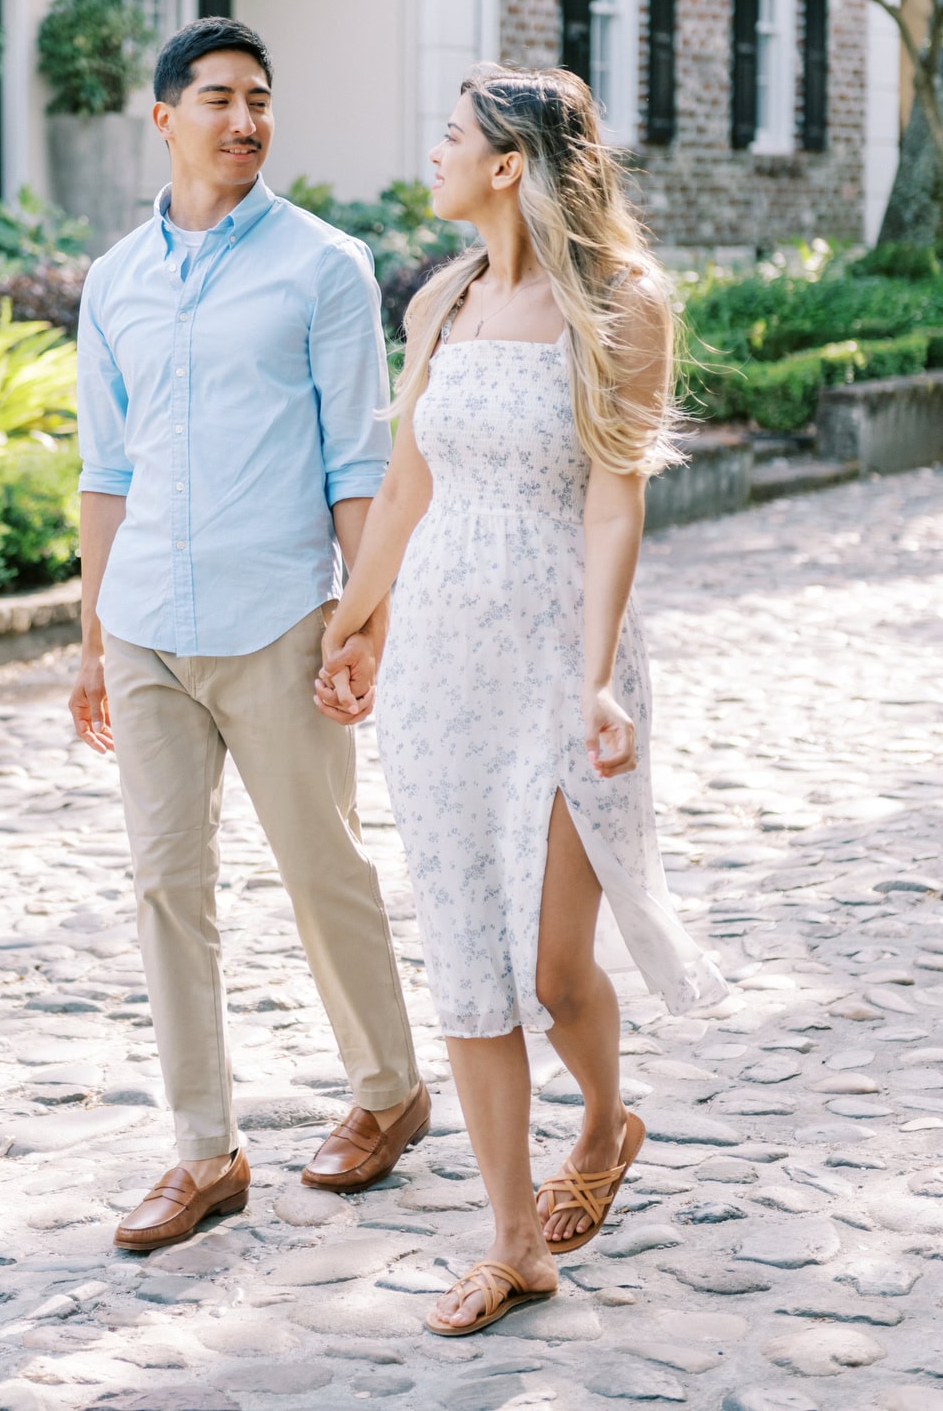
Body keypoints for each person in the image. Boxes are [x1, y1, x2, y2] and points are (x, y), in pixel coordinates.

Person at [318, 64, 727, 1336]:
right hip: (439, 663)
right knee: (465, 953)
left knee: (553, 966)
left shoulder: (620, 302)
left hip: (558, 656)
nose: (432, 153)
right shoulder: (438, 300)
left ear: (508, 164)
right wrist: (354, 619)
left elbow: (614, 499)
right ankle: (511, 1241)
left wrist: (598, 674)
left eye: (451, 136)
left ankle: (603, 1118)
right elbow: (404, 487)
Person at [70, 16, 428, 1254]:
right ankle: (202, 1150)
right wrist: (88, 640)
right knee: (166, 883)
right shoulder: (115, 279)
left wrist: (360, 619)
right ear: (163, 117)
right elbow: (105, 470)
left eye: (260, 98)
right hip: (144, 627)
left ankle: (387, 1088)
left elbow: (356, 462)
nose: (244, 119)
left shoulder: (323, 264)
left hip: (276, 615)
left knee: (320, 864)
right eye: (218, 97)